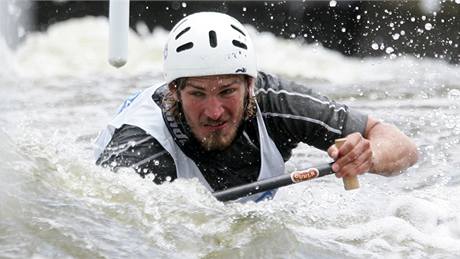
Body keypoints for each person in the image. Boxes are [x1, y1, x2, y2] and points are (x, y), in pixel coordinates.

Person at [94, 12, 418, 202]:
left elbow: (400, 145)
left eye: (226, 91)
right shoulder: (140, 150)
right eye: (196, 94)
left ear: (250, 85)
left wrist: (368, 156)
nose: (214, 111)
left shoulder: (276, 102)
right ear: (174, 91)